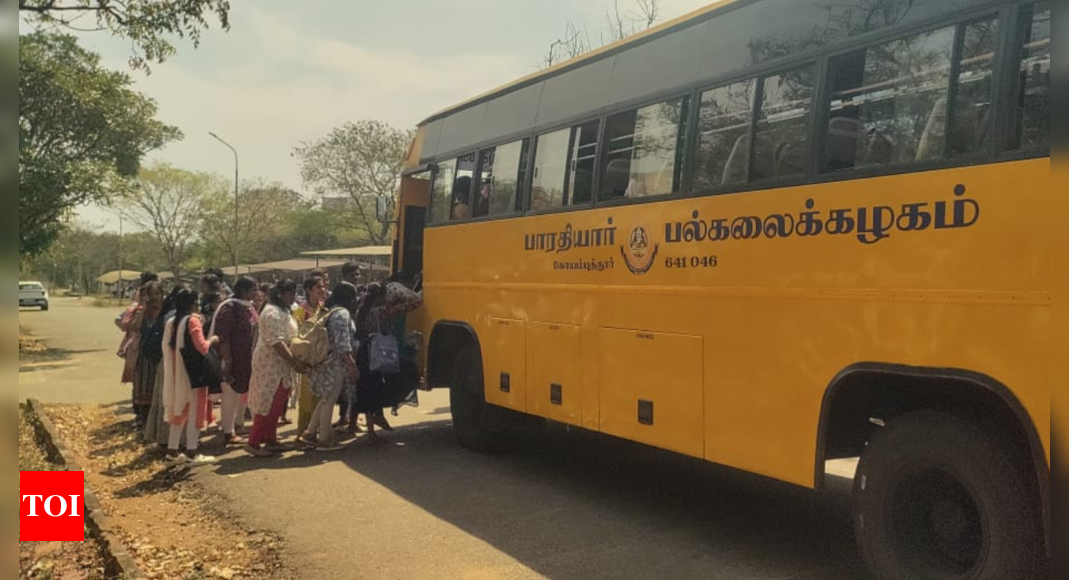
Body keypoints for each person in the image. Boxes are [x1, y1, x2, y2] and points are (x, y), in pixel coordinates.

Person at [351, 274, 423, 442]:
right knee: (375, 390)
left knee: (364, 390)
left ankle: (361, 427)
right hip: (376, 353)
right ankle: (371, 433)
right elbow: (414, 303)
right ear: (383, 296)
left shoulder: (361, 309)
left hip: (362, 353)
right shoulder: (385, 311)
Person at [245, 280, 306, 457]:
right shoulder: (272, 312)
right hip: (271, 365)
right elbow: (276, 342)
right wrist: (295, 362)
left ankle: (271, 439)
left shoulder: (284, 311)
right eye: (288, 292)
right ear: (279, 293)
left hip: (282, 365)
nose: (292, 296)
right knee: (268, 402)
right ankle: (253, 442)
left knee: (278, 403)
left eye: (294, 292)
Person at [300, 283, 360, 452]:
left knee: (325, 398)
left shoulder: (330, 310)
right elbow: (343, 343)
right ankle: (324, 439)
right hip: (336, 363)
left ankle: (311, 433)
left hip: (325, 361)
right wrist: (352, 365)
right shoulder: (343, 313)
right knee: (330, 399)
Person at [162, 288, 218, 465]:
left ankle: (172, 450)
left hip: (177, 372)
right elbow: (202, 347)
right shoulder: (193, 321)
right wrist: (213, 339)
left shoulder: (172, 321)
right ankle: (192, 452)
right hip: (194, 373)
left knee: (179, 409)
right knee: (196, 411)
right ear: (194, 303)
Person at [212, 277, 259, 446]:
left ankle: (234, 428)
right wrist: (228, 360)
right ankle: (228, 432)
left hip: (245, 360)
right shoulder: (230, 308)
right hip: (232, 360)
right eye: (254, 289)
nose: (256, 292)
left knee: (238, 395)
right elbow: (222, 336)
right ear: (244, 291)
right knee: (229, 396)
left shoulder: (248, 307)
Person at [144, 286, 182, 448]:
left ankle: (160, 438)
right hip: (173, 364)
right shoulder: (176, 318)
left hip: (162, 362)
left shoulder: (166, 315)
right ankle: (170, 441)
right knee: (172, 402)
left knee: (162, 401)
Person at [294, 276, 328, 435]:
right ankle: (302, 432)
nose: (323, 290)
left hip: (322, 359)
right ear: (308, 291)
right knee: (307, 397)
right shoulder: (301, 311)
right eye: (318, 287)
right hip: (308, 360)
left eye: (323, 287)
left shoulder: (323, 308)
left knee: (321, 396)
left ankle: (316, 430)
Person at [129, 281, 164, 429]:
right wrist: (143, 308)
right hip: (145, 355)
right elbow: (134, 327)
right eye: (152, 294)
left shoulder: (167, 310)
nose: (155, 297)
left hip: (162, 354)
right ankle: (144, 423)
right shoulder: (142, 311)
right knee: (143, 389)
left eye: (157, 294)